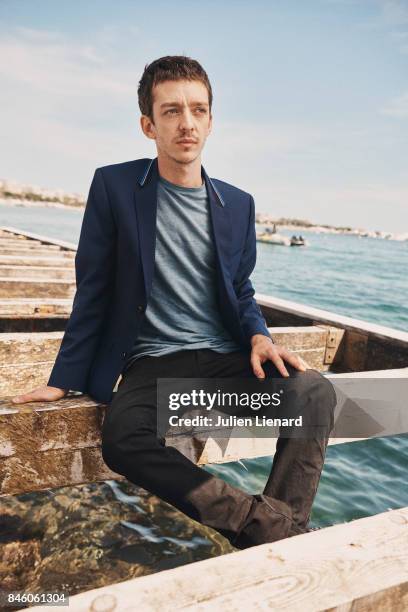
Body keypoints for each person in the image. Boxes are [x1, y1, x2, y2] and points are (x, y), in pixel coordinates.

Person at [11, 55, 335, 550]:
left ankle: (272, 533)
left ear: (211, 120)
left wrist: (259, 336)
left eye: (198, 110)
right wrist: (64, 380)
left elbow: (241, 288)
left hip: (224, 363)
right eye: (171, 111)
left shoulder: (238, 203)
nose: (187, 123)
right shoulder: (115, 187)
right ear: (148, 125)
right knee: (123, 437)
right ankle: (270, 530)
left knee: (314, 393)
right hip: (155, 366)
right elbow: (93, 288)